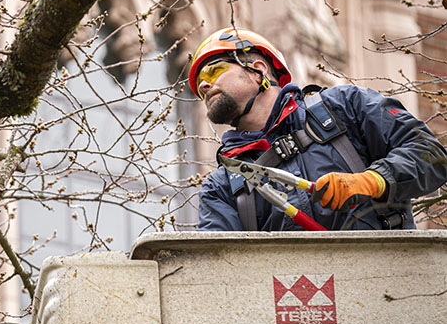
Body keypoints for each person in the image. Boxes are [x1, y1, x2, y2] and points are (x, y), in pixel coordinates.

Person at [190, 27, 447, 231]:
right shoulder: (223, 184)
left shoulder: (345, 107)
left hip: (383, 285)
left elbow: (431, 155)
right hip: (295, 295)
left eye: (214, 70)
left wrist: (373, 181)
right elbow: (218, 265)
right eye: (199, 82)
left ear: (258, 71)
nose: (203, 85)